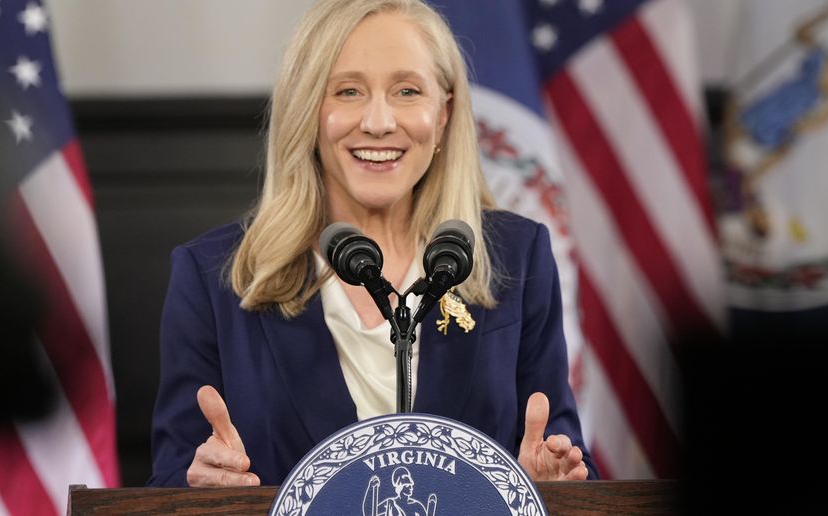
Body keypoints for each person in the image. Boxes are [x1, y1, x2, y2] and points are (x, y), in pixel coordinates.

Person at [148, 0, 596, 487]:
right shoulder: (212, 276)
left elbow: (565, 461)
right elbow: (171, 482)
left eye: (407, 90)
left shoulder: (517, 256)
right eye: (348, 91)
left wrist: (551, 481)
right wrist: (203, 484)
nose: (379, 122)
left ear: (443, 113)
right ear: (308, 110)